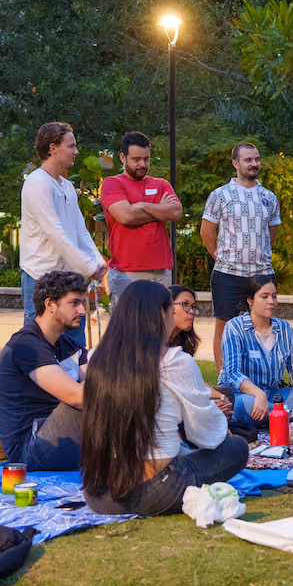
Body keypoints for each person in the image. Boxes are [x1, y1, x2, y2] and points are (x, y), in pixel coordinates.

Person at [81, 281, 248, 517]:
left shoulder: (97, 357)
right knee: (236, 447)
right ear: (161, 313)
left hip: (99, 495)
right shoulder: (175, 361)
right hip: (156, 490)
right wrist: (222, 428)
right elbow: (205, 434)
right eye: (172, 310)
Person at [20, 122, 107, 346]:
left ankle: (75, 383)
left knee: (74, 351)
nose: (76, 151)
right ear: (53, 148)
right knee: (41, 353)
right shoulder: (37, 183)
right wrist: (89, 267)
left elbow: (79, 230)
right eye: (72, 146)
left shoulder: (67, 186)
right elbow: (56, 234)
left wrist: (97, 260)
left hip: (68, 279)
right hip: (40, 279)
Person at [200, 143, 281, 371]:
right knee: (225, 328)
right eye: (248, 160)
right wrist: (222, 257)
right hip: (227, 274)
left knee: (262, 327)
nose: (253, 164)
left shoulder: (269, 197)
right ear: (235, 163)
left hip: (262, 275)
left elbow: (271, 234)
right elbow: (207, 232)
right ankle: (226, 381)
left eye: (256, 159)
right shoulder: (219, 195)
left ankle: (260, 377)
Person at [0, 271, 88, 470]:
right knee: (95, 395)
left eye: (83, 303)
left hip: (58, 437)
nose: (82, 310)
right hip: (29, 450)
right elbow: (77, 397)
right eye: (74, 303)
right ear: (49, 304)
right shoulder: (26, 345)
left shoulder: (67, 343)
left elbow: (97, 372)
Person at [218, 275, 293, 424]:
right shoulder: (234, 328)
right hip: (243, 395)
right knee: (244, 405)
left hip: (273, 396)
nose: (271, 302)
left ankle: (285, 418)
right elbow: (233, 374)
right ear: (250, 300)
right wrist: (258, 394)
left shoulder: (284, 328)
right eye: (264, 297)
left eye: (274, 297)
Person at [100, 131, 182, 304]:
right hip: (126, 274)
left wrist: (143, 205)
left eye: (146, 159)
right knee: (127, 330)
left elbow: (175, 212)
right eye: (136, 159)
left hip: (161, 272)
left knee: (160, 329)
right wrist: (160, 210)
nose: (142, 164)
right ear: (123, 157)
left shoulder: (161, 184)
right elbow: (127, 216)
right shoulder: (112, 183)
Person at [167, 284, 234, 419]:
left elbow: (193, 380)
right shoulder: (157, 343)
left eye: (193, 307)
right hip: (170, 402)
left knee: (226, 395)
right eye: (185, 304)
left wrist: (219, 397)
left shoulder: (181, 342)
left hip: (187, 396)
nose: (191, 311)